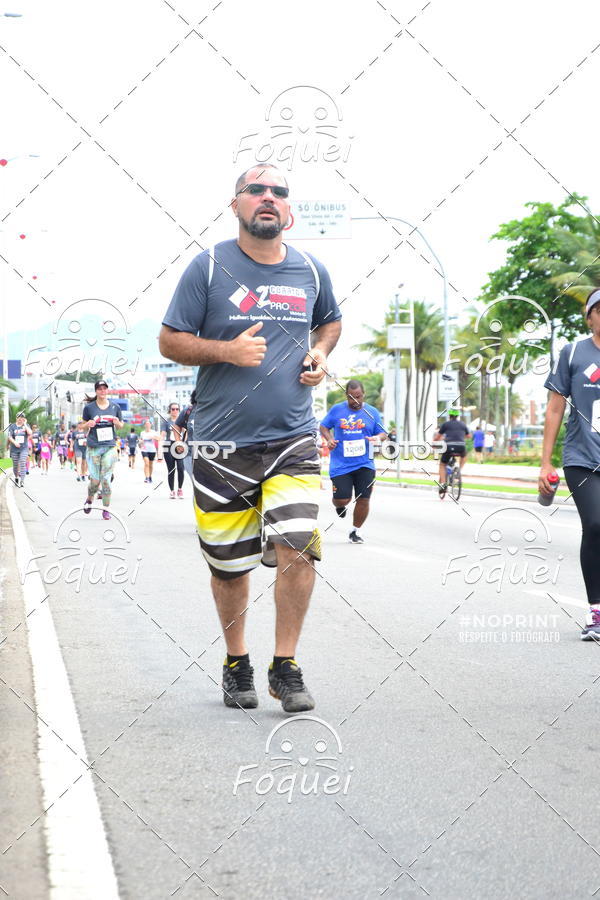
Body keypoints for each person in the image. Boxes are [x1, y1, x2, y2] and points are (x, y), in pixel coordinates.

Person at [159, 164, 341, 713]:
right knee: (229, 566)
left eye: (278, 192)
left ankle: (285, 665)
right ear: (235, 204)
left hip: (292, 437)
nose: (268, 198)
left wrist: (320, 354)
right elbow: (170, 340)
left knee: (299, 546)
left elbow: (329, 321)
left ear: (289, 211)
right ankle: (236, 660)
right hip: (220, 443)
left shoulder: (310, 268)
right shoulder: (208, 266)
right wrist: (226, 351)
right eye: (256, 190)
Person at [540, 289, 600, 640]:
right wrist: (544, 461)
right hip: (582, 458)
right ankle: (596, 612)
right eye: (599, 310)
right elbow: (554, 407)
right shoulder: (574, 352)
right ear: (589, 316)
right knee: (595, 525)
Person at [320, 380, 387, 544]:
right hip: (341, 464)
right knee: (343, 499)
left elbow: (383, 433)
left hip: (365, 463)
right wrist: (329, 439)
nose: (355, 401)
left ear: (363, 394)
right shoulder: (337, 410)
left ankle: (355, 531)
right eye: (351, 398)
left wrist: (376, 438)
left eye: (358, 397)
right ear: (346, 396)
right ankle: (339, 505)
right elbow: (323, 426)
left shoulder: (372, 412)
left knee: (364, 499)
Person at [81, 379, 123, 520]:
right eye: (100, 389)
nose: (102, 391)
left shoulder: (115, 407)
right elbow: (82, 426)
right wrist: (89, 423)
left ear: (107, 390)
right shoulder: (89, 408)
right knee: (95, 480)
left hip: (110, 446)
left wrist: (117, 423)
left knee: (106, 479)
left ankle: (106, 509)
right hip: (93, 447)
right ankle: (89, 499)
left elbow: (120, 426)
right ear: (96, 391)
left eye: (104, 388)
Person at [433, 408, 470, 496]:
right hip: (461, 446)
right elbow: (469, 436)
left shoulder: (446, 424)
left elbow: (438, 437)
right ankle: (458, 471)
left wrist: (434, 443)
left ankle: (443, 485)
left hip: (448, 446)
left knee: (442, 465)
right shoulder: (462, 424)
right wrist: (460, 436)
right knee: (464, 457)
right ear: (457, 416)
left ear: (449, 416)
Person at [160, 402, 184, 498]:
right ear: (170, 410)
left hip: (179, 446)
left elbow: (185, 433)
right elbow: (162, 435)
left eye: (177, 409)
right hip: (169, 446)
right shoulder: (166, 422)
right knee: (171, 470)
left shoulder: (182, 422)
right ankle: (172, 491)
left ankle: (180, 489)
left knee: (181, 468)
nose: (175, 411)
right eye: (173, 409)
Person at [7, 411, 32, 487]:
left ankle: (22, 481)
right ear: (16, 418)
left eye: (22, 417)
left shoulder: (26, 426)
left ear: (24, 419)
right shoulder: (12, 426)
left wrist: (25, 424)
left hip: (23, 448)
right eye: (18, 417)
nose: (20, 419)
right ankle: (16, 477)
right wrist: (14, 442)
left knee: (22, 462)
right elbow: (9, 437)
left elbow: (30, 433)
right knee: (15, 465)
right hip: (14, 449)